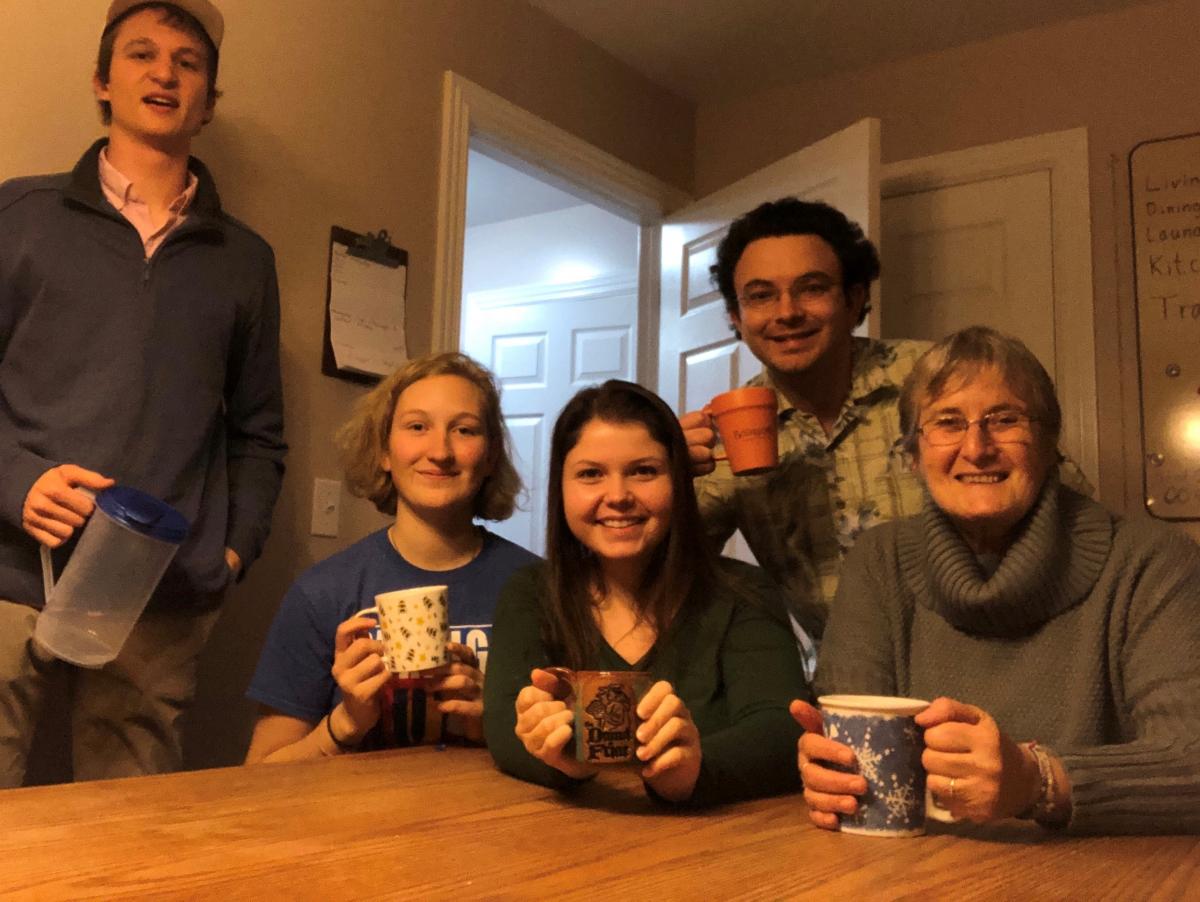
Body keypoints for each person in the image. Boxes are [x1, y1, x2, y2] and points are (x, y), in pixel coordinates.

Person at [0, 0, 286, 786]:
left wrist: (229, 549)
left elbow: (259, 435)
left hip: (160, 593)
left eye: (188, 63)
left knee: (130, 833)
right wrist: (17, 483)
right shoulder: (17, 215)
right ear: (102, 81)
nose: (164, 72)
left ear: (208, 101)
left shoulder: (245, 260)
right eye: (141, 54)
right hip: (10, 569)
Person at [793, 326, 1200, 834]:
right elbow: (854, 760)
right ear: (914, 456)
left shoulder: (1151, 562)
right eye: (947, 422)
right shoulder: (878, 563)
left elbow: (1191, 758)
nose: (977, 447)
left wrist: (1039, 781)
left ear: (1050, 443)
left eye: (1003, 420)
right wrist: (831, 771)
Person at [680, 198, 1089, 668]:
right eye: (760, 295)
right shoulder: (732, 430)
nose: (787, 312)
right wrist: (662, 473)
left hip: (1003, 659)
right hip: (854, 681)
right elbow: (664, 578)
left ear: (854, 299)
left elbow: (1074, 509)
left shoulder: (938, 380)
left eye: (811, 288)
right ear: (735, 317)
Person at [484, 380, 806, 805]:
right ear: (561, 487)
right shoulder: (529, 593)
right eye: (591, 474)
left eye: (643, 471)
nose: (617, 496)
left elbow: (781, 729)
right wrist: (562, 758)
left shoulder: (744, 592)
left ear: (678, 481)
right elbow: (506, 726)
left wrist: (694, 770)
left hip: (724, 851)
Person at [245, 352, 539, 762]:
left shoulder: (537, 588)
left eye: (465, 430)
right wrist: (344, 723)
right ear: (384, 450)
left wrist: (492, 726)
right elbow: (260, 776)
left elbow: (575, 762)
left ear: (490, 457)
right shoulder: (323, 593)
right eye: (417, 427)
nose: (440, 451)